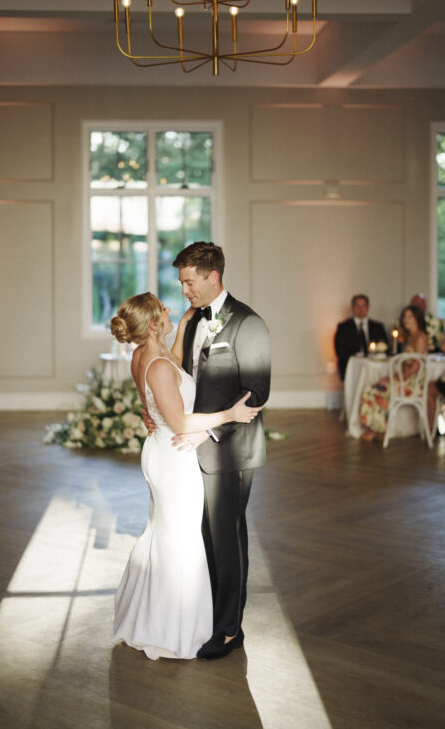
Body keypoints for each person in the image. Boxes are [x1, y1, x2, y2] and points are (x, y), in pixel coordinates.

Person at [110, 292, 261, 661]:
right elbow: (178, 419)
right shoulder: (157, 366)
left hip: (162, 449)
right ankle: (173, 628)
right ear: (153, 322)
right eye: (163, 308)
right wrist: (229, 415)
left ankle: (153, 617)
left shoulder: (145, 356)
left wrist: (181, 328)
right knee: (179, 539)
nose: (169, 308)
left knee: (166, 532)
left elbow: (170, 370)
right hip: (176, 455)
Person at [170, 242, 271, 660]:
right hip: (195, 446)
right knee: (206, 539)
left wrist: (207, 435)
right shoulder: (194, 322)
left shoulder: (249, 324)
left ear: (213, 277)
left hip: (230, 452)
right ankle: (213, 616)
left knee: (226, 541)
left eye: (189, 282)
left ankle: (229, 630)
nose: (184, 291)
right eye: (181, 283)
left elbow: (257, 394)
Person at [359, 304, 428, 441]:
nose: (405, 320)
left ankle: (378, 429)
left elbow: (415, 367)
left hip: (412, 383)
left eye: (409, 317)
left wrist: (394, 379)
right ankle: (378, 428)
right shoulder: (410, 337)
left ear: (417, 319)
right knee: (371, 388)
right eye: (404, 317)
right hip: (405, 378)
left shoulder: (420, 337)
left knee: (375, 391)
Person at [334, 294, 388, 381]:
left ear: (367, 307)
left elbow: (385, 346)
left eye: (363, 306)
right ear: (352, 307)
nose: (360, 309)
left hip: (374, 370)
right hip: (352, 369)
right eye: (357, 305)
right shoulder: (344, 327)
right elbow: (340, 350)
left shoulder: (377, 327)